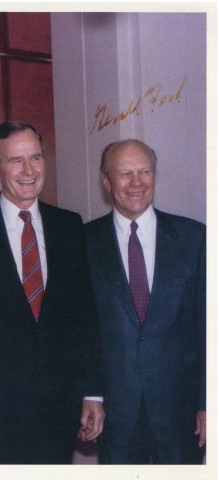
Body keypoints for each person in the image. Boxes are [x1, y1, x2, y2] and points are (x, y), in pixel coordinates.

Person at [0, 120, 104, 464]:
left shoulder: (69, 226)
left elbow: (86, 317)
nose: (29, 170)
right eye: (16, 160)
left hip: (59, 411)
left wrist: (92, 393)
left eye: (36, 158)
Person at [85, 139, 206, 464]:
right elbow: (81, 330)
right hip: (116, 414)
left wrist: (208, 402)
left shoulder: (194, 238)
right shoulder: (84, 243)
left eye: (144, 172)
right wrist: (91, 394)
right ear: (106, 181)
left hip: (181, 414)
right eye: (125, 174)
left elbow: (208, 328)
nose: (136, 182)